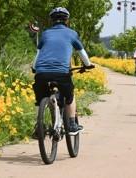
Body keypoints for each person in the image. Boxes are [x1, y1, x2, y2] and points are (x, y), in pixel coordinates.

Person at [32, 7, 94, 135]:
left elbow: (37, 56)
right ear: (67, 20)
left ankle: (39, 127)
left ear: (52, 21)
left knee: (40, 99)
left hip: (41, 72)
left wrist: (34, 68)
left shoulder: (45, 34)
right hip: (61, 73)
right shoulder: (72, 33)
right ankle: (71, 125)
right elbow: (82, 53)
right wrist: (88, 65)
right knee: (70, 96)